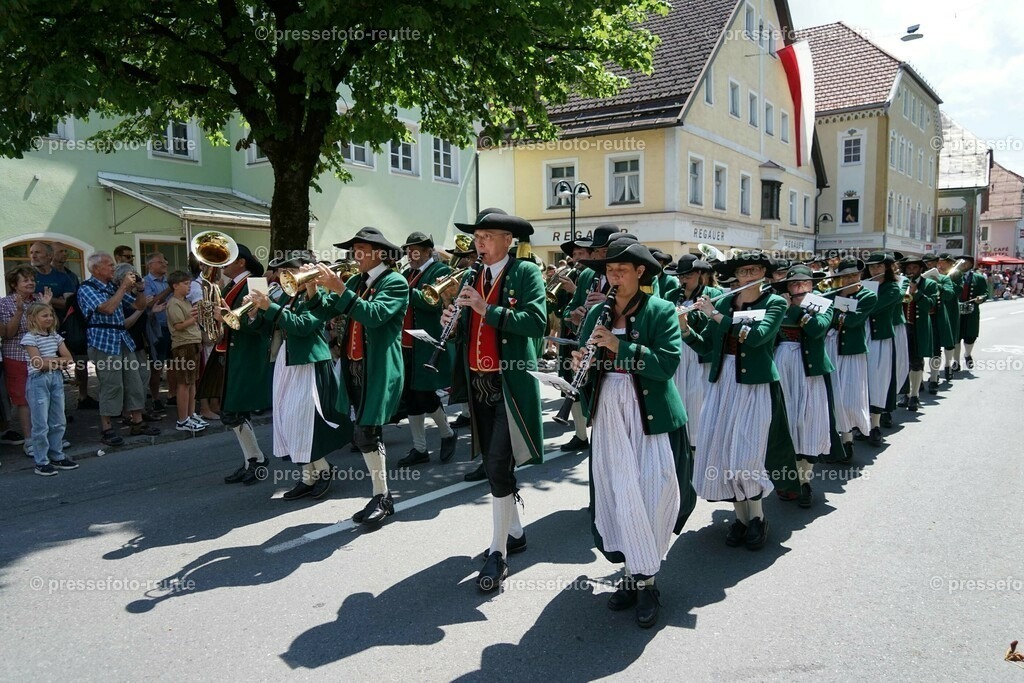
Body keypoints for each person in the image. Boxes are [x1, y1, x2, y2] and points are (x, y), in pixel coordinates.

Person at [573, 240, 693, 628]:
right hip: (609, 407)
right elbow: (586, 357)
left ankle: (649, 581)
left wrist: (620, 346)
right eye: (609, 270)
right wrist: (580, 362)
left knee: (649, 491)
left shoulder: (660, 311)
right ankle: (630, 573)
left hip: (648, 414)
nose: (613, 275)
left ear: (641, 272)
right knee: (616, 489)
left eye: (622, 269)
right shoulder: (597, 313)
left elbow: (667, 365)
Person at [441, 210, 545, 591]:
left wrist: (487, 309)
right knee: (493, 463)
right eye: (477, 237)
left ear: (507, 240)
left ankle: (497, 553)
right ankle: (514, 532)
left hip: (508, 383)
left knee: (499, 463)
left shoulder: (525, 273)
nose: (478, 244)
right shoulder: (474, 275)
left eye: (486, 237)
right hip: (478, 383)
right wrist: (451, 322)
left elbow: (536, 322)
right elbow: (471, 332)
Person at [683, 252, 798, 550]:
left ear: (764, 273)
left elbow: (758, 336)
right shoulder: (722, 302)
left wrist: (718, 317)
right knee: (722, 450)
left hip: (754, 385)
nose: (749, 275)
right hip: (723, 383)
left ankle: (758, 518)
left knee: (746, 453)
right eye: (744, 271)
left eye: (755, 270)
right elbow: (707, 346)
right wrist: (684, 328)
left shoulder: (774, 303)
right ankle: (741, 518)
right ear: (736, 275)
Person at [315, 227, 408, 523]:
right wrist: (310, 289)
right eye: (354, 250)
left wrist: (340, 289)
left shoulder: (395, 281)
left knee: (367, 431)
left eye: (360, 250)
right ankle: (381, 495)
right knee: (363, 432)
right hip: (354, 366)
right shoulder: (356, 280)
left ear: (379, 253)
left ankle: (382, 497)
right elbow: (327, 310)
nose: (354, 256)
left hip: (379, 367)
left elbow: (374, 315)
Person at [248, 252, 349, 500]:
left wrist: (269, 306)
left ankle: (323, 470)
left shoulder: (318, 296)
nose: (286, 276)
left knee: (304, 421)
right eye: (284, 272)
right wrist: (253, 314)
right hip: (288, 360)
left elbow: (303, 326)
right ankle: (307, 476)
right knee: (287, 419)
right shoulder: (287, 296)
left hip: (310, 363)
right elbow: (268, 328)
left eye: (291, 271)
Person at [76, 252, 159, 446]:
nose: (114, 268)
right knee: (112, 384)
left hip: (122, 338)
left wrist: (139, 290)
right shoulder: (87, 288)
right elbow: (107, 308)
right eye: (110, 265)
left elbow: (140, 305)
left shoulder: (113, 286)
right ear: (96, 269)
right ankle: (107, 428)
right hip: (102, 340)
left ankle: (137, 421)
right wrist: (122, 287)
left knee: (134, 381)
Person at [771, 265, 834, 508]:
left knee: (807, 422)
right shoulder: (777, 305)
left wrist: (796, 309)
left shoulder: (823, 303)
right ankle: (787, 478)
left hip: (809, 371)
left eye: (803, 284)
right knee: (786, 422)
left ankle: (804, 480)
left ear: (812, 285)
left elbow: (817, 329)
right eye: (794, 284)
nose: (799, 288)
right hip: (783, 368)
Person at [396, 231, 458, 467]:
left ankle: (447, 433)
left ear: (426, 252)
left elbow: (431, 302)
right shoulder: (406, 274)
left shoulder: (440, 271)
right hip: (407, 342)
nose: (409, 256)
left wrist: (404, 291)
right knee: (411, 396)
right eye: (408, 251)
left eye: (414, 251)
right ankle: (419, 448)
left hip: (427, 342)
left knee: (425, 393)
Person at [213, 244, 273, 486]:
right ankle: (252, 459)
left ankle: (256, 459)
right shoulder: (228, 286)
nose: (222, 263)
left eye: (228, 259)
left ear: (242, 262)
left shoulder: (255, 285)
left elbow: (260, 326)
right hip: (230, 353)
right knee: (232, 411)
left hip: (247, 355)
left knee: (234, 411)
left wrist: (224, 318)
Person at [822, 258, 876, 463]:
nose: (850, 279)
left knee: (850, 398)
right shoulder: (829, 294)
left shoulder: (868, 295)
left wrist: (835, 314)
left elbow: (853, 321)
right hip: (830, 349)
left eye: (854, 275)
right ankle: (837, 443)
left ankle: (848, 439)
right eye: (845, 276)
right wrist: (839, 313)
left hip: (852, 352)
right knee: (833, 396)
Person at [667, 254, 720, 447]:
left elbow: (714, 324)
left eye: (687, 275)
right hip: (678, 349)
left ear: (699, 273)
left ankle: (698, 444)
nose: (683, 280)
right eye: (680, 276)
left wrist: (694, 316)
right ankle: (681, 441)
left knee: (698, 397)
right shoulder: (672, 295)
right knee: (678, 394)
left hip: (699, 351)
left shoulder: (712, 294)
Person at [1, 266, 54, 456]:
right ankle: (30, 440)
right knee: (24, 400)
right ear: (15, 284)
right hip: (17, 356)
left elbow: (49, 330)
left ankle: (49, 437)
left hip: (40, 355)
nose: (31, 283)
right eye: (26, 280)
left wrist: (46, 307)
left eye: (32, 279)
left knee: (46, 396)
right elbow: (7, 334)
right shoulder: (5, 303)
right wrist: (18, 311)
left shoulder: (39, 300)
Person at [21, 302, 77, 476]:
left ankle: (57, 454)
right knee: (40, 422)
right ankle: (41, 460)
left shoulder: (55, 336)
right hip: (39, 381)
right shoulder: (30, 338)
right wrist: (56, 362)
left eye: (51, 315)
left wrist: (51, 362)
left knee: (58, 419)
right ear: (32, 318)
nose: (49, 318)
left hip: (56, 378)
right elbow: (38, 364)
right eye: (44, 315)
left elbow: (69, 358)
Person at [553, 234, 595, 453]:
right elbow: (563, 309)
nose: (576, 258)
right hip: (571, 337)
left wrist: (574, 290)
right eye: (574, 254)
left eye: (581, 253)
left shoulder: (592, 275)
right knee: (572, 384)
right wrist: (571, 304)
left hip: (596, 343)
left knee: (591, 389)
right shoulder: (581, 275)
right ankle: (580, 434)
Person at [862, 252, 901, 446]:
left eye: (878, 267)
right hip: (860, 336)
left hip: (879, 338)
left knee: (878, 380)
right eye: (871, 267)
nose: (874, 270)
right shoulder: (861, 286)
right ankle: (860, 423)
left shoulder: (892, 288)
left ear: (886, 268)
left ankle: (875, 425)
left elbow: (873, 307)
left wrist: (854, 301)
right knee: (860, 379)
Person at [166, 271, 206, 432]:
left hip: (193, 343)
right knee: (183, 383)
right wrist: (196, 317)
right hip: (183, 346)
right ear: (175, 286)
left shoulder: (186, 302)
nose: (189, 286)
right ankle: (182, 420)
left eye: (189, 283)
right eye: (185, 284)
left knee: (191, 382)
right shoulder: (174, 303)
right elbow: (178, 326)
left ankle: (191, 414)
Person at [143, 252, 175, 411]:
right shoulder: (146, 283)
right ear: (150, 265)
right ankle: (155, 398)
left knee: (174, 364)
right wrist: (169, 289)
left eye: (165, 261)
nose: (165, 264)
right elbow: (150, 304)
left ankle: (172, 394)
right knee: (157, 365)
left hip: (174, 326)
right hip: (158, 328)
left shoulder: (169, 281)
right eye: (160, 262)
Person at [947, 254, 987, 371]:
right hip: (955, 311)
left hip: (972, 311)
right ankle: (956, 361)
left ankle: (967, 354)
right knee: (956, 337)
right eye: (958, 262)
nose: (961, 264)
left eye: (963, 262)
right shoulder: (952, 276)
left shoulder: (978, 278)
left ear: (970, 264)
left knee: (970, 336)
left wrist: (981, 297)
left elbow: (985, 292)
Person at [923, 253, 956, 387]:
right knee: (917, 351)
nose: (928, 265)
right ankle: (917, 380)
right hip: (920, 317)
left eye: (931, 263)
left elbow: (949, 294)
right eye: (926, 263)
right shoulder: (919, 279)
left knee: (935, 349)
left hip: (936, 317)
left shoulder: (943, 279)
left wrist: (938, 285)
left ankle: (934, 377)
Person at [29, 242, 74, 314]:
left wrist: (44, 299)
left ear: (49, 256)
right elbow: (23, 300)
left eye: (37, 252)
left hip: (58, 320)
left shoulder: (63, 277)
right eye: (31, 253)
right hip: (31, 320)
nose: (33, 256)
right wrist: (58, 301)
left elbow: (70, 304)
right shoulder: (27, 276)